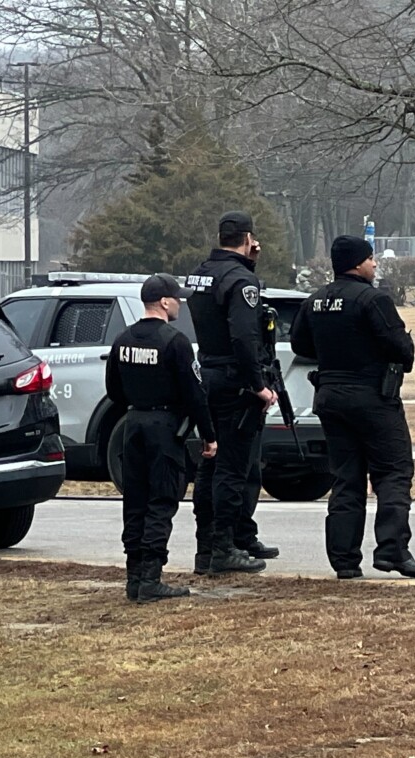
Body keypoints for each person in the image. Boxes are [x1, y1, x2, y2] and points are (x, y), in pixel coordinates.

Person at [290, 235, 415, 581]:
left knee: (346, 478)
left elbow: (300, 344)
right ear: (357, 263)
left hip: (330, 397)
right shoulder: (373, 299)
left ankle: (344, 559)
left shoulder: (316, 301)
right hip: (373, 397)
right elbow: (400, 349)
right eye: (370, 259)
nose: (375, 264)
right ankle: (392, 550)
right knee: (393, 472)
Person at [105, 273, 217, 603]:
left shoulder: (123, 339)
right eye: (177, 298)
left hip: (133, 424)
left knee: (134, 502)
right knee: (161, 500)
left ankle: (134, 577)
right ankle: (151, 579)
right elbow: (195, 394)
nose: (180, 303)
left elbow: (113, 390)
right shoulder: (175, 341)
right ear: (164, 302)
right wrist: (209, 436)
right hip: (165, 428)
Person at [185, 211, 280, 575]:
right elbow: (243, 337)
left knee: (210, 464)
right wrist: (259, 386)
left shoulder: (201, 273)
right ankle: (224, 549)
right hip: (234, 382)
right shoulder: (241, 281)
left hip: (208, 374)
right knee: (231, 469)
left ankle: (207, 548)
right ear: (249, 239)